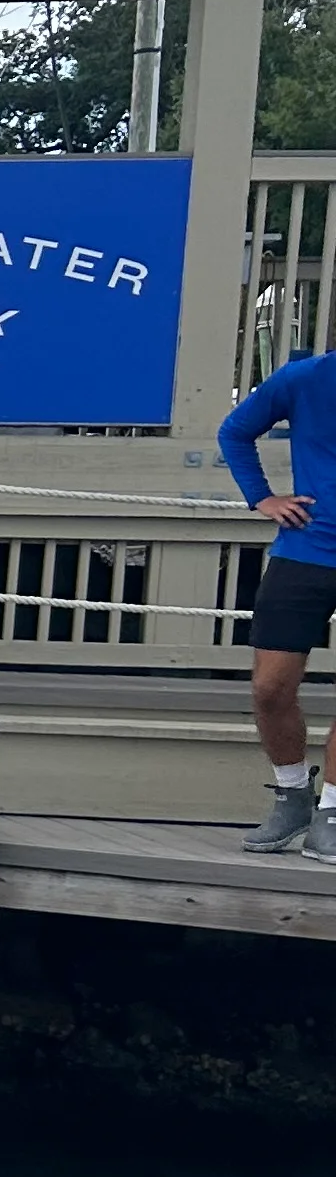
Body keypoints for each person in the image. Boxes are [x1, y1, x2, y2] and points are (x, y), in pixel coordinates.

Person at [219, 350, 336, 851]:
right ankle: (293, 797)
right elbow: (235, 432)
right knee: (270, 688)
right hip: (306, 549)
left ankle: (331, 814)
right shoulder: (305, 378)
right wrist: (261, 497)